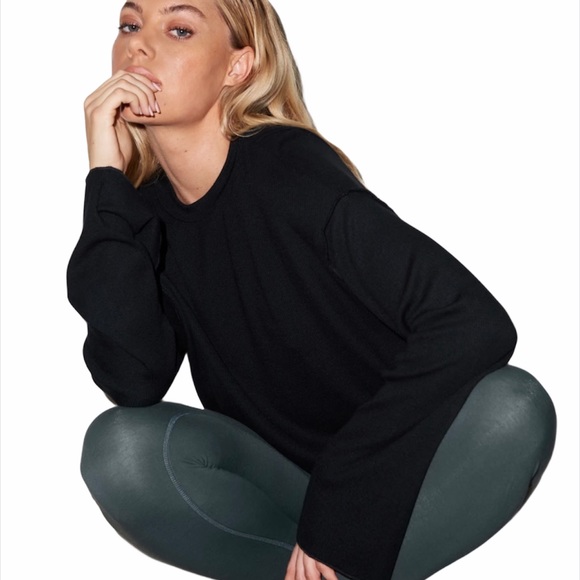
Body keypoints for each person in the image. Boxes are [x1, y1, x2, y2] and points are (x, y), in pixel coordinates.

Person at [67, 1, 557, 579]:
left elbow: (471, 321)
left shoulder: (289, 170)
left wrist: (342, 511)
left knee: (514, 406)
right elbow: (132, 379)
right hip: (281, 493)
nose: (138, 45)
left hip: (399, 475)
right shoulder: (143, 214)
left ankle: (345, 560)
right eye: (129, 25)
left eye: (178, 29)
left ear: (238, 67)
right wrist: (107, 181)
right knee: (120, 449)